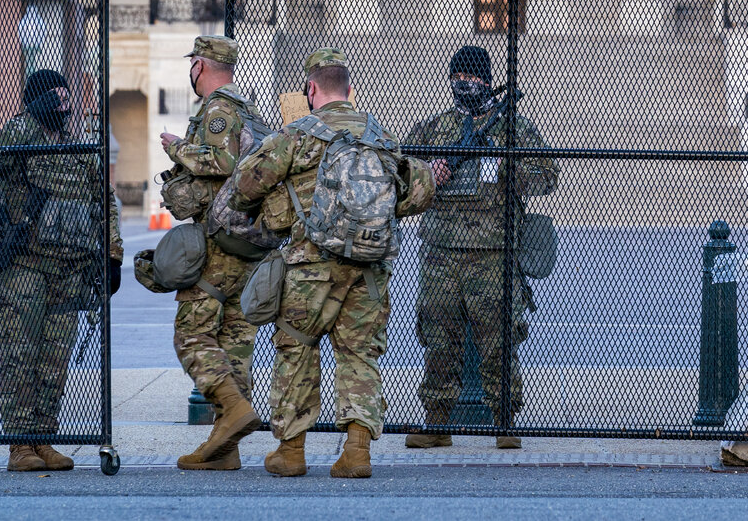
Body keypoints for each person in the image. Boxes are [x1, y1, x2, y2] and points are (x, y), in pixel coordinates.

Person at [226, 47, 423, 479]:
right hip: (369, 266)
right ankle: (356, 453)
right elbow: (406, 197)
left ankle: (292, 452)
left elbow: (244, 185)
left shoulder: (297, 135)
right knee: (360, 355)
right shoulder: (381, 136)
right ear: (350, 91)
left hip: (309, 268)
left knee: (297, 347)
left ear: (311, 90)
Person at [403, 45, 559, 450]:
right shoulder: (433, 129)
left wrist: (505, 163)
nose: (464, 85)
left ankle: (504, 422)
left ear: (487, 82)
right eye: (457, 79)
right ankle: (436, 422)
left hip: (493, 253)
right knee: (439, 337)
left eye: (472, 78)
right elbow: (397, 167)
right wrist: (426, 172)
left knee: (497, 339)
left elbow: (548, 176)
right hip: (440, 250)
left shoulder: (513, 129)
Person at [0, 69, 124, 472]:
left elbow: (104, 204)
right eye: (52, 98)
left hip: (68, 273)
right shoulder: (20, 142)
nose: (62, 103)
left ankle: (44, 440)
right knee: (20, 358)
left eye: (64, 95)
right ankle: (20, 446)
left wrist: (113, 257)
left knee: (53, 362)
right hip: (24, 271)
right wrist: (28, 119)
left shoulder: (78, 151)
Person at [158, 35, 263, 471]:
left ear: (201, 65)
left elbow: (220, 162)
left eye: (193, 64)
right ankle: (225, 448)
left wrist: (175, 147)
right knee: (234, 342)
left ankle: (231, 412)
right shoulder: (250, 110)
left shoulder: (219, 110)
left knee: (192, 335)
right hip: (248, 244)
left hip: (218, 243)